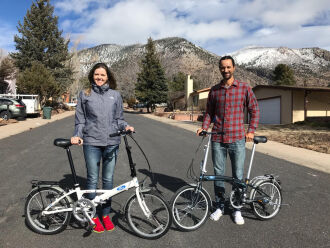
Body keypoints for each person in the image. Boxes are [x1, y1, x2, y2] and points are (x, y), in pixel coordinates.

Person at [71, 62, 134, 233]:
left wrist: (125, 127)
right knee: (92, 179)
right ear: (92, 75)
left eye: (103, 75)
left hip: (112, 142)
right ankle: (92, 215)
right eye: (96, 74)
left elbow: (119, 118)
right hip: (91, 142)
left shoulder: (115, 95)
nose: (99, 77)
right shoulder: (85, 94)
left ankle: (105, 214)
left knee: (108, 180)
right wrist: (78, 135)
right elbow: (80, 119)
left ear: (108, 77)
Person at [197, 56, 259, 225]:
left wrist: (251, 131)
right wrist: (204, 127)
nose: (226, 70)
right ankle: (220, 206)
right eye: (223, 67)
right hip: (217, 138)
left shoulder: (244, 88)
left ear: (234, 68)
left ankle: (237, 208)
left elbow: (254, 110)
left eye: (228, 67)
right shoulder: (215, 90)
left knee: (237, 175)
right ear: (219, 69)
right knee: (218, 175)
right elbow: (209, 112)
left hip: (237, 139)